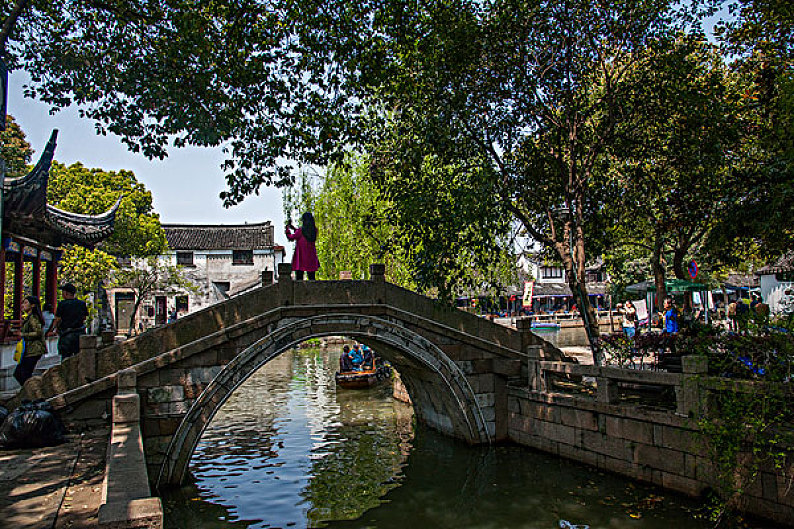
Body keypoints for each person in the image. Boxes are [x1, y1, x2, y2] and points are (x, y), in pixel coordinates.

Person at [14, 296, 47, 386]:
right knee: (21, 374)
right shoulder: (29, 318)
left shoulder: (33, 318)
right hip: (29, 349)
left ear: (32, 305)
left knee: (23, 374)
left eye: (25, 303)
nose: (22, 305)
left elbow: (38, 333)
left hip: (34, 350)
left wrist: (23, 335)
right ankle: (29, 394)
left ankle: (33, 393)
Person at [51, 283, 88, 359]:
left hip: (66, 334)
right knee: (79, 357)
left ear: (66, 293)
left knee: (65, 358)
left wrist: (52, 330)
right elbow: (84, 317)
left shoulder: (62, 304)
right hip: (79, 333)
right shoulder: (81, 304)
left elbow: (57, 319)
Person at [285, 212, 320, 280]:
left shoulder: (300, 231)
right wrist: (294, 229)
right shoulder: (314, 230)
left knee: (299, 279)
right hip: (311, 258)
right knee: (312, 278)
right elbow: (303, 234)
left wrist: (287, 229)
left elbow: (291, 237)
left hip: (301, 258)